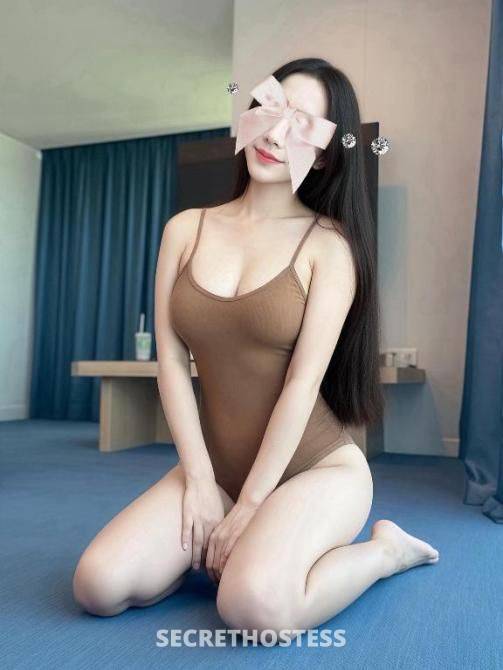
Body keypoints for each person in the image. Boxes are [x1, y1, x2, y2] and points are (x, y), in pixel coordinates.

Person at [72, 58, 439, 639]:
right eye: (272, 109)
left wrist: (250, 505)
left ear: (325, 155)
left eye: (303, 125)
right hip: (216, 472)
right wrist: (199, 480)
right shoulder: (184, 229)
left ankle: (384, 552)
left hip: (315, 471)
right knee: (98, 586)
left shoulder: (329, 247)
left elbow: (301, 385)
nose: (275, 134)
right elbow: (171, 362)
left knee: (253, 610)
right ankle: (227, 547)